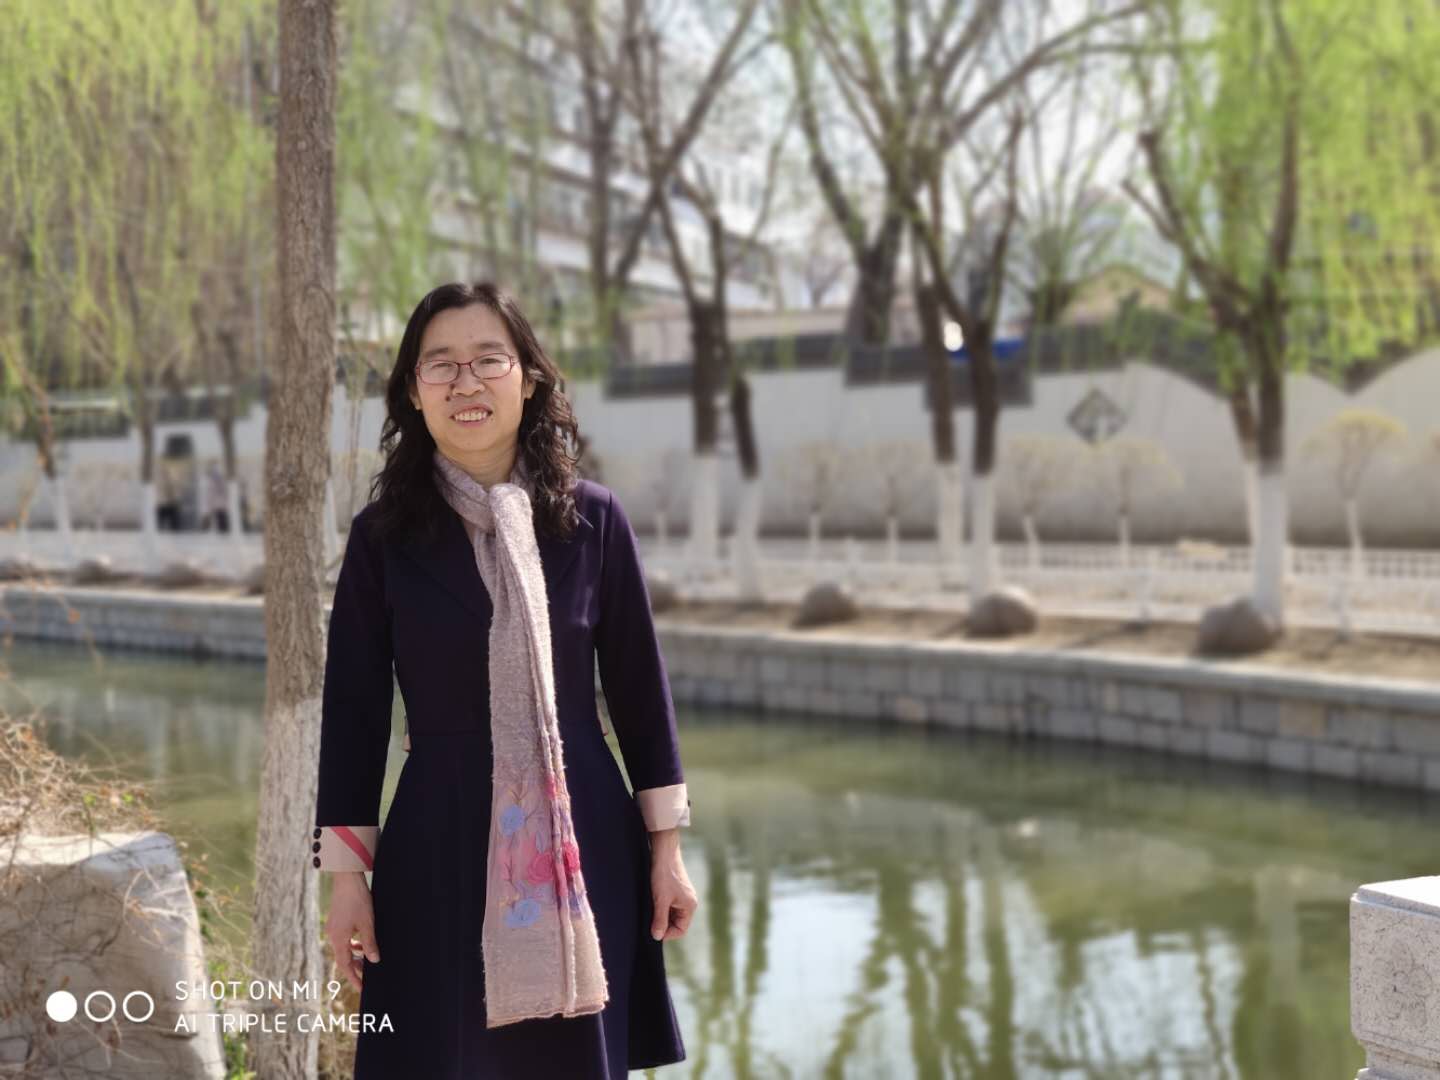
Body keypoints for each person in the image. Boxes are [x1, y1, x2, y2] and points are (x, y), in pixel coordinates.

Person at [311, 281, 697, 1078]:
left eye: (489, 359)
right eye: (440, 365)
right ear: (413, 392)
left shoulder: (594, 522)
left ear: (528, 379)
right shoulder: (382, 540)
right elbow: (353, 714)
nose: (466, 383)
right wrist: (347, 879)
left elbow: (639, 694)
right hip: (438, 842)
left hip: (582, 835)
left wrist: (667, 850)